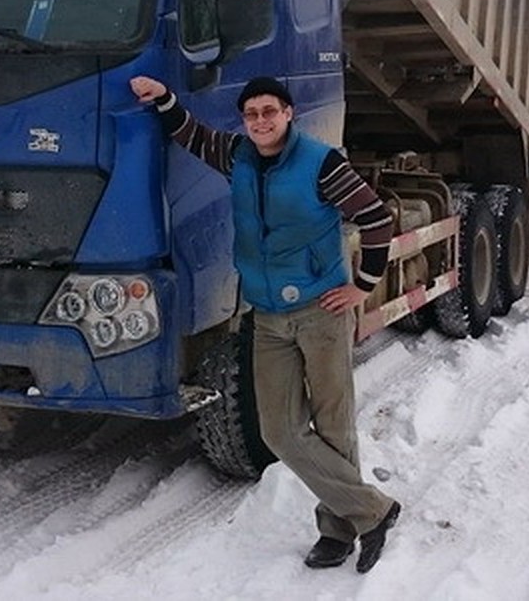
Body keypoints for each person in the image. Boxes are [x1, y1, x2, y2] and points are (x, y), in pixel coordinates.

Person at [129, 74, 400, 574]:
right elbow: (188, 133)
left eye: (269, 112)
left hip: (322, 311)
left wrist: (362, 285)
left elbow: (376, 219)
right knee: (279, 430)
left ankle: (337, 531)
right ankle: (374, 511)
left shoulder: (321, 163)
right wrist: (162, 98)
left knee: (334, 423)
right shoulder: (238, 156)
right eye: (251, 114)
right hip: (267, 315)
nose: (260, 121)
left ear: (289, 113)